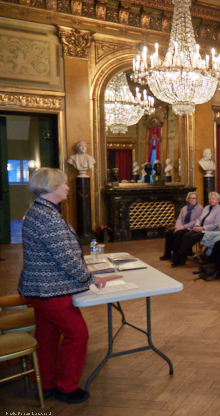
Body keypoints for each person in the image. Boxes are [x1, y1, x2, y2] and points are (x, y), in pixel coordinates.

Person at [19, 168, 111, 404]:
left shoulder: (40, 211)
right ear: (51, 187)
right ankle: (67, 387)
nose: (68, 188)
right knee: (77, 334)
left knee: (47, 336)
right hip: (50, 290)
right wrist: (90, 279)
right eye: (64, 184)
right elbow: (66, 259)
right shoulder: (48, 217)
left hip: (40, 288)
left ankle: (47, 384)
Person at [172, 192, 220, 267]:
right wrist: (197, 225)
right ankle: (182, 258)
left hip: (209, 231)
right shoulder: (206, 208)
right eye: (210, 199)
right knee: (186, 235)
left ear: (218, 200)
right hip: (199, 228)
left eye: (213, 199)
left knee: (194, 237)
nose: (211, 200)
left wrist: (202, 228)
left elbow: (216, 224)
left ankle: (179, 255)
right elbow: (199, 219)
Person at [160, 192, 203, 261]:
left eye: (194, 198)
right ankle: (167, 254)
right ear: (188, 199)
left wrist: (183, 227)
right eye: (191, 198)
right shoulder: (184, 208)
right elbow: (179, 219)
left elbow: (195, 221)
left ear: (196, 199)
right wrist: (178, 227)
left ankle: (176, 255)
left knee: (178, 234)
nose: (192, 200)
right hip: (181, 226)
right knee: (169, 233)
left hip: (190, 228)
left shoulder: (200, 208)